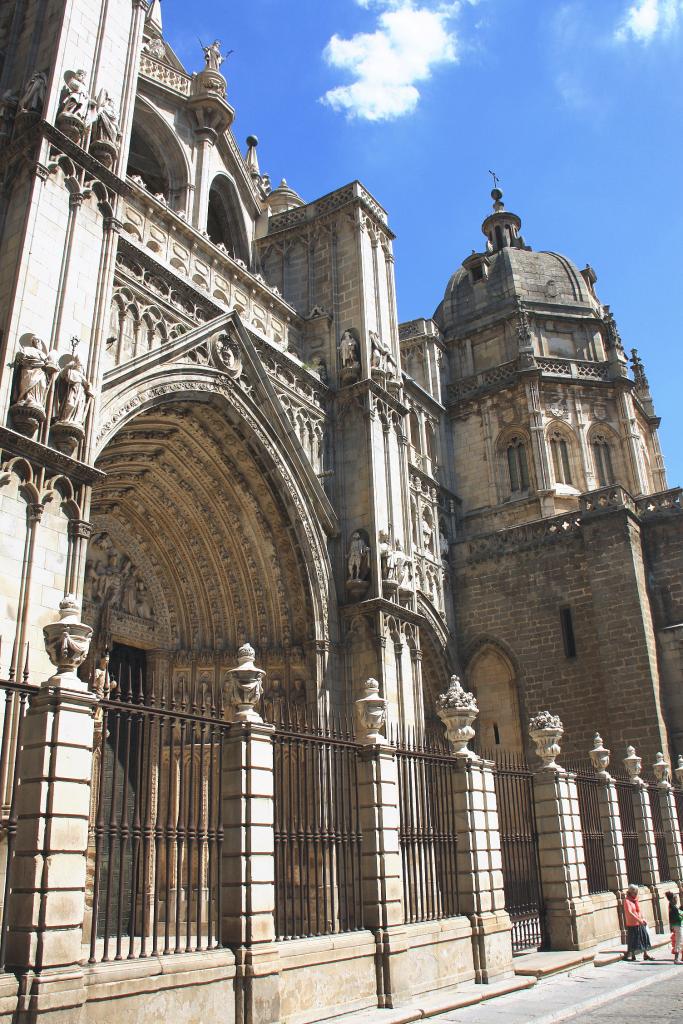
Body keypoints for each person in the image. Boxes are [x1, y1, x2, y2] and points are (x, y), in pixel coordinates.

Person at [622, 884, 654, 962]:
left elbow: (638, 910)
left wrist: (642, 918)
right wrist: (638, 919)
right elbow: (629, 912)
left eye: (636, 893)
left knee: (644, 937)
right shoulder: (627, 901)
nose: (636, 894)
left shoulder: (635, 900)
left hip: (639, 922)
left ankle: (645, 954)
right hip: (632, 923)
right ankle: (632, 955)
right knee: (633, 939)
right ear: (630, 892)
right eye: (635, 893)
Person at [666, 891, 683, 964]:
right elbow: (678, 917)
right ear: (673, 899)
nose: (677, 900)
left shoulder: (673, 906)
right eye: (676, 898)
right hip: (677, 925)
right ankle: (676, 959)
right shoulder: (673, 907)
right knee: (678, 941)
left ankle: (678, 957)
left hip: (678, 925)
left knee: (679, 941)